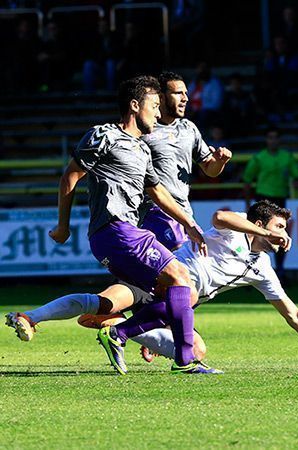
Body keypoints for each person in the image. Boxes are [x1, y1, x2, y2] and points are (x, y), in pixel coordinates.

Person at [6, 201, 298, 370]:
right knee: (102, 300)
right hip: (158, 277)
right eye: (278, 225)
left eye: (283, 228)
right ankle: (31, 316)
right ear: (260, 224)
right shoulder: (235, 231)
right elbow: (220, 216)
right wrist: (262, 232)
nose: (282, 233)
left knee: (197, 351)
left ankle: (119, 330)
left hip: (178, 304)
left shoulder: (262, 268)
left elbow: (293, 314)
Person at [28, 75, 207, 375]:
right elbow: (70, 177)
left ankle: (121, 331)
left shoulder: (143, 149)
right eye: (154, 104)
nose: (158, 111)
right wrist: (63, 226)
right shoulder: (103, 136)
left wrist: (188, 222)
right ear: (135, 106)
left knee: (169, 292)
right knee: (180, 277)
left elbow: (158, 192)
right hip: (117, 231)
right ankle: (183, 361)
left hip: (121, 237)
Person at [140, 71, 232, 252]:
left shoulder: (189, 128)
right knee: (182, 266)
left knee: (188, 270)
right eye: (178, 93)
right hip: (154, 211)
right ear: (161, 97)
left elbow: (210, 169)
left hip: (183, 212)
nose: (185, 99)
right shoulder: (144, 129)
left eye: (186, 94)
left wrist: (220, 162)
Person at [243, 127, 298, 280]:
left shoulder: (287, 157)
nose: (273, 141)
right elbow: (247, 180)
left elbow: (297, 176)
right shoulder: (259, 158)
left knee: (280, 234)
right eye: (270, 137)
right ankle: (250, 268)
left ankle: (280, 270)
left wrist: (296, 186)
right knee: (257, 235)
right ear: (266, 140)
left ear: (279, 140)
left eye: (275, 138)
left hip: (280, 200)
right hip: (263, 199)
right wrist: (248, 202)